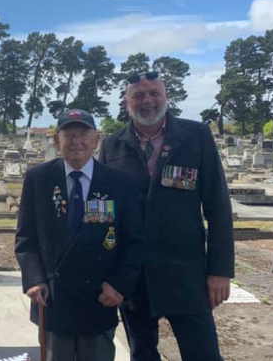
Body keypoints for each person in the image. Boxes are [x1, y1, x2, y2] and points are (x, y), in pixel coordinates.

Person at [98, 72, 234, 361]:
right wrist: (107, 272)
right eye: (138, 95)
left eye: (154, 93)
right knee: (142, 354)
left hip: (185, 273)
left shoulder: (196, 136)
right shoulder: (112, 144)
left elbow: (218, 206)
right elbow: (104, 210)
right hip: (134, 276)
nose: (147, 101)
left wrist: (220, 270)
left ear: (166, 96)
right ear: (126, 102)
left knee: (203, 353)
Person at [16, 109, 144, 361]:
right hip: (53, 299)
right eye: (69, 134)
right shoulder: (38, 178)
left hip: (99, 298)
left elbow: (135, 241)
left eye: (83, 134)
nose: (76, 141)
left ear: (97, 139)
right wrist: (33, 279)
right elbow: (26, 237)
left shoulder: (120, 182)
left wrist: (119, 284)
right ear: (56, 140)